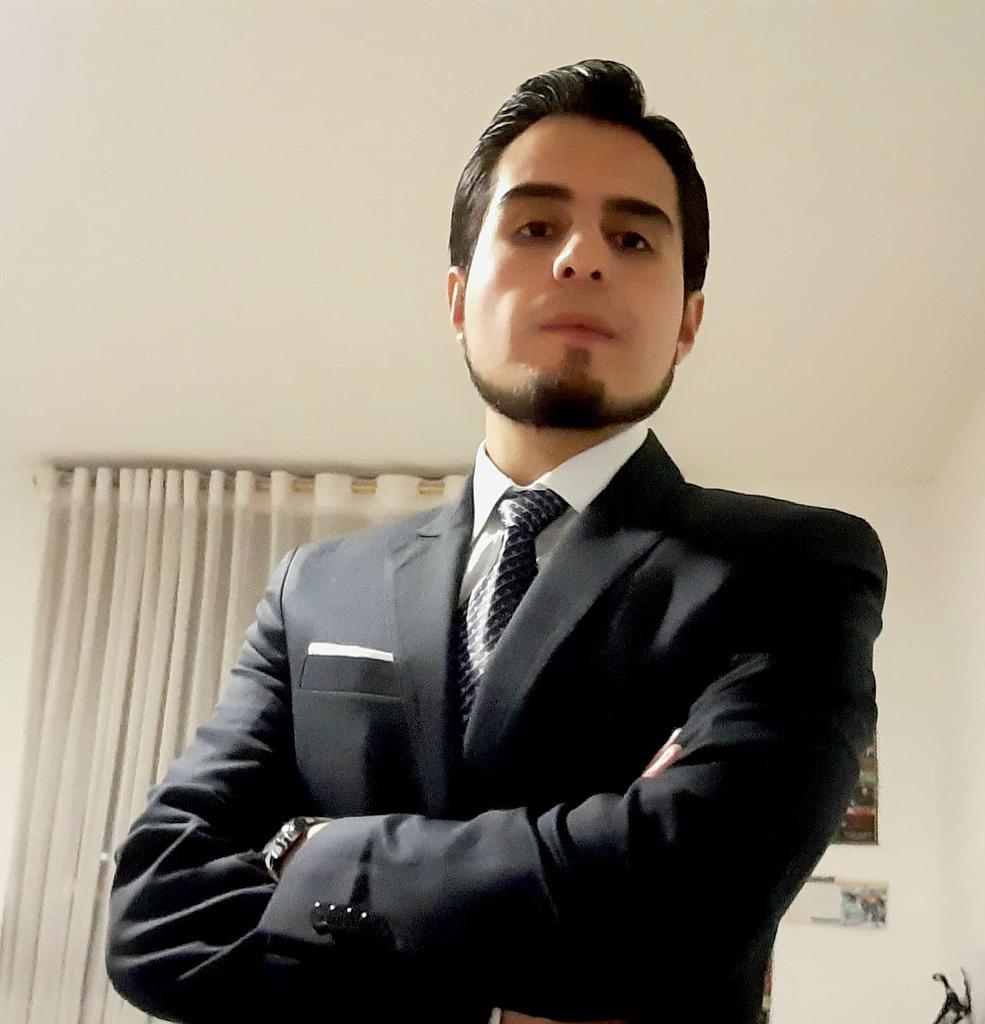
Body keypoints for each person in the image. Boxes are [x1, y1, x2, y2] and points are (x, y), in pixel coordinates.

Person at [106, 58, 887, 1024]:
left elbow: (693, 891)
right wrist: (512, 980)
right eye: (534, 227)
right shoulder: (315, 588)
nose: (582, 258)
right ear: (456, 297)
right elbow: (155, 912)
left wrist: (313, 853)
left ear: (688, 321)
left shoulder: (793, 568)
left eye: (634, 237)